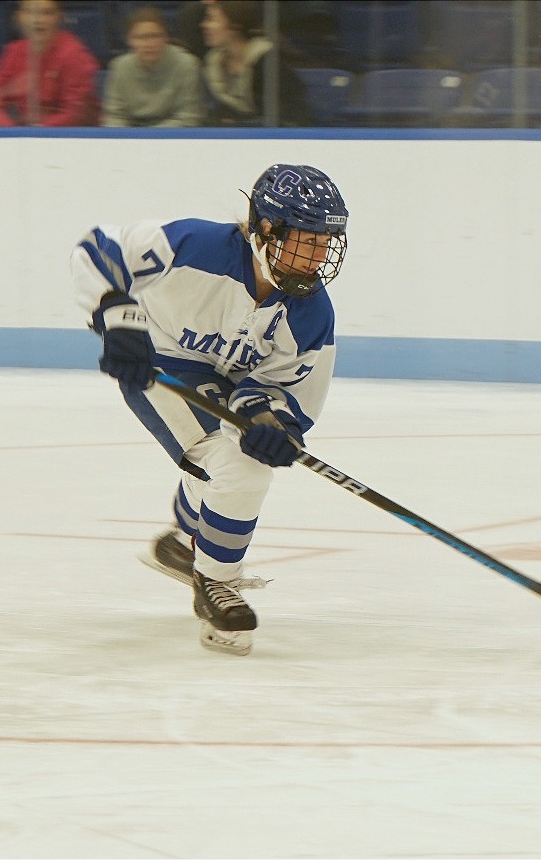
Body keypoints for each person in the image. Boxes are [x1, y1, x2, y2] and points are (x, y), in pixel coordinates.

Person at [70, 164, 349, 656]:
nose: (319, 257)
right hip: (158, 365)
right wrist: (118, 317)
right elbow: (99, 250)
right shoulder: (195, 247)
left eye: (327, 243)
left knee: (240, 455)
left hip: (228, 382)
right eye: (308, 240)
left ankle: (183, 543)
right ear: (267, 228)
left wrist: (272, 422)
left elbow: (289, 393)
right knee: (234, 463)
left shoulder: (312, 316)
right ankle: (216, 583)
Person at [0, 0, 99, 127]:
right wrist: (11, 131)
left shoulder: (74, 54)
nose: (38, 20)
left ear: (59, 17)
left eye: (47, 13)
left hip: (73, 137)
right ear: (20, 16)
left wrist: (37, 132)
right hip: (26, 134)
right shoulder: (13, 52)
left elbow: (75, 113)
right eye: (30, 12)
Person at [201, 0, 312, 127]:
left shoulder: (270, 65)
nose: (204, 25)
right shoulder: (214, 64)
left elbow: (289, 118)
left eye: (211, 20)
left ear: (235, 25)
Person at [101, 6, 203, 128]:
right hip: (131, 136)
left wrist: (149, 136)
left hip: (173, 136)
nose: (149, 44)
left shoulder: (187, 64)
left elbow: (189, 117)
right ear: (129, 40)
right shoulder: (119, 66)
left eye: (155, 36)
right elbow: (114, 115)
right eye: (140, 38)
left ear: (166, 38)